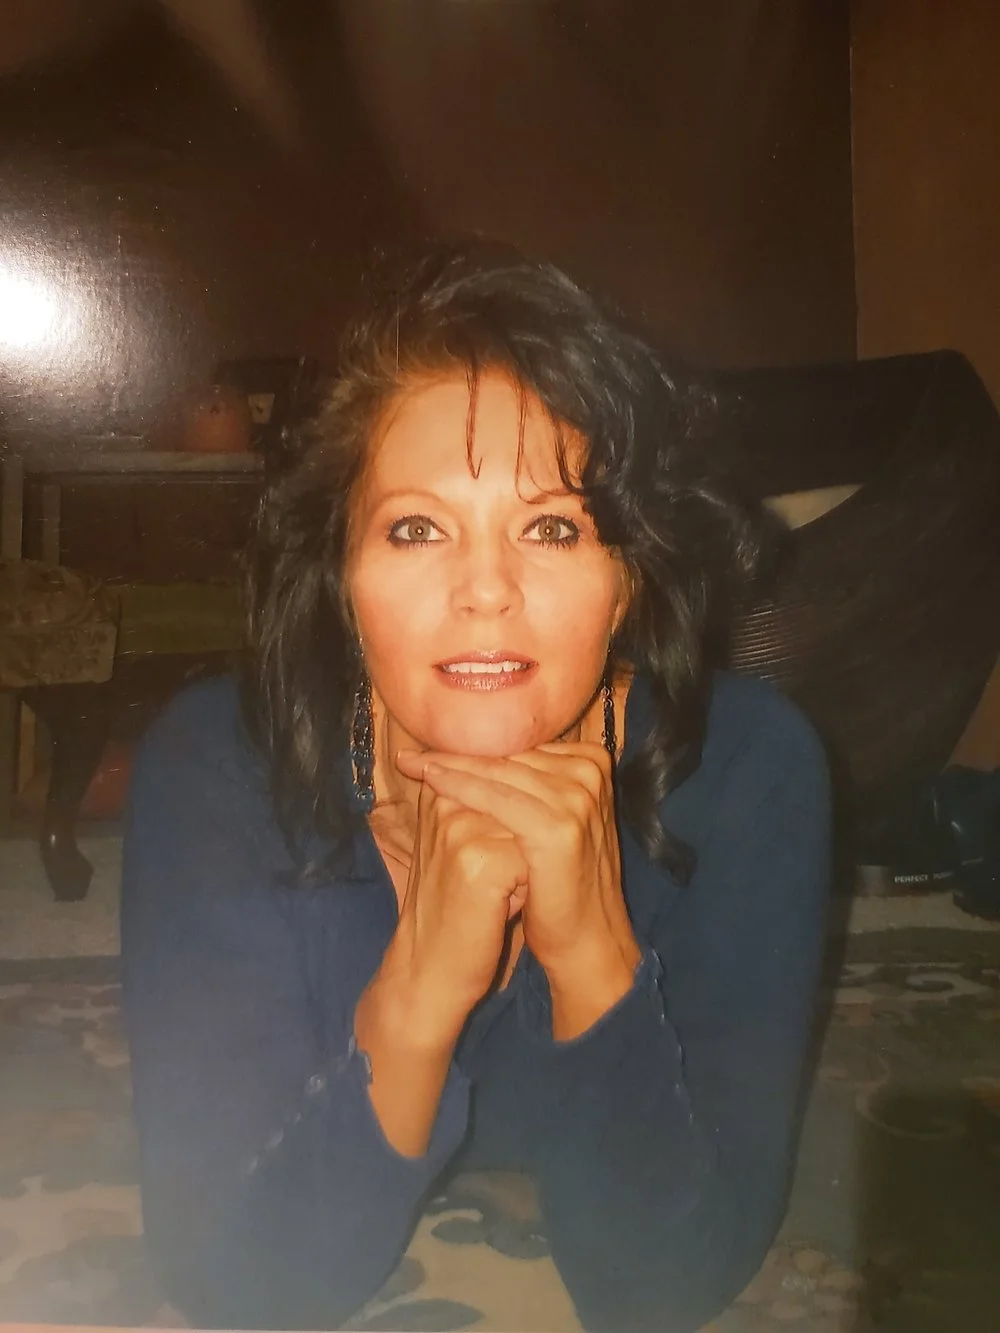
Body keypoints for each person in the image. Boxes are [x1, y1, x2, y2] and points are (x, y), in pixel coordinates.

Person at [121, 242, 831, 1333]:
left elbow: (664, 1284)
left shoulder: (746, 770)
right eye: (416, 529)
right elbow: (236, 1287)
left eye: (552, 526)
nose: (485, 591)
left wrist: (591, 945)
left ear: (629, 577)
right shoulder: (221, 770)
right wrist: (417, 993)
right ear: (340, 572)